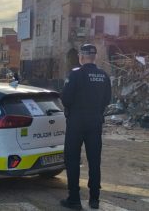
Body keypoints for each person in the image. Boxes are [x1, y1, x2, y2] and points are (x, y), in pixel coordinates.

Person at [60, 44, 111, 210]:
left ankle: (74, 199)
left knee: (72, 159)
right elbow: (107, 100)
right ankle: (94, 199)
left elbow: (66, 99)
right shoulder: (104, 76)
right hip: (95, 122)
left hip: (76, 123)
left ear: (81, 57)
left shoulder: (75, 74)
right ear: (95, 57)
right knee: (95, 161)